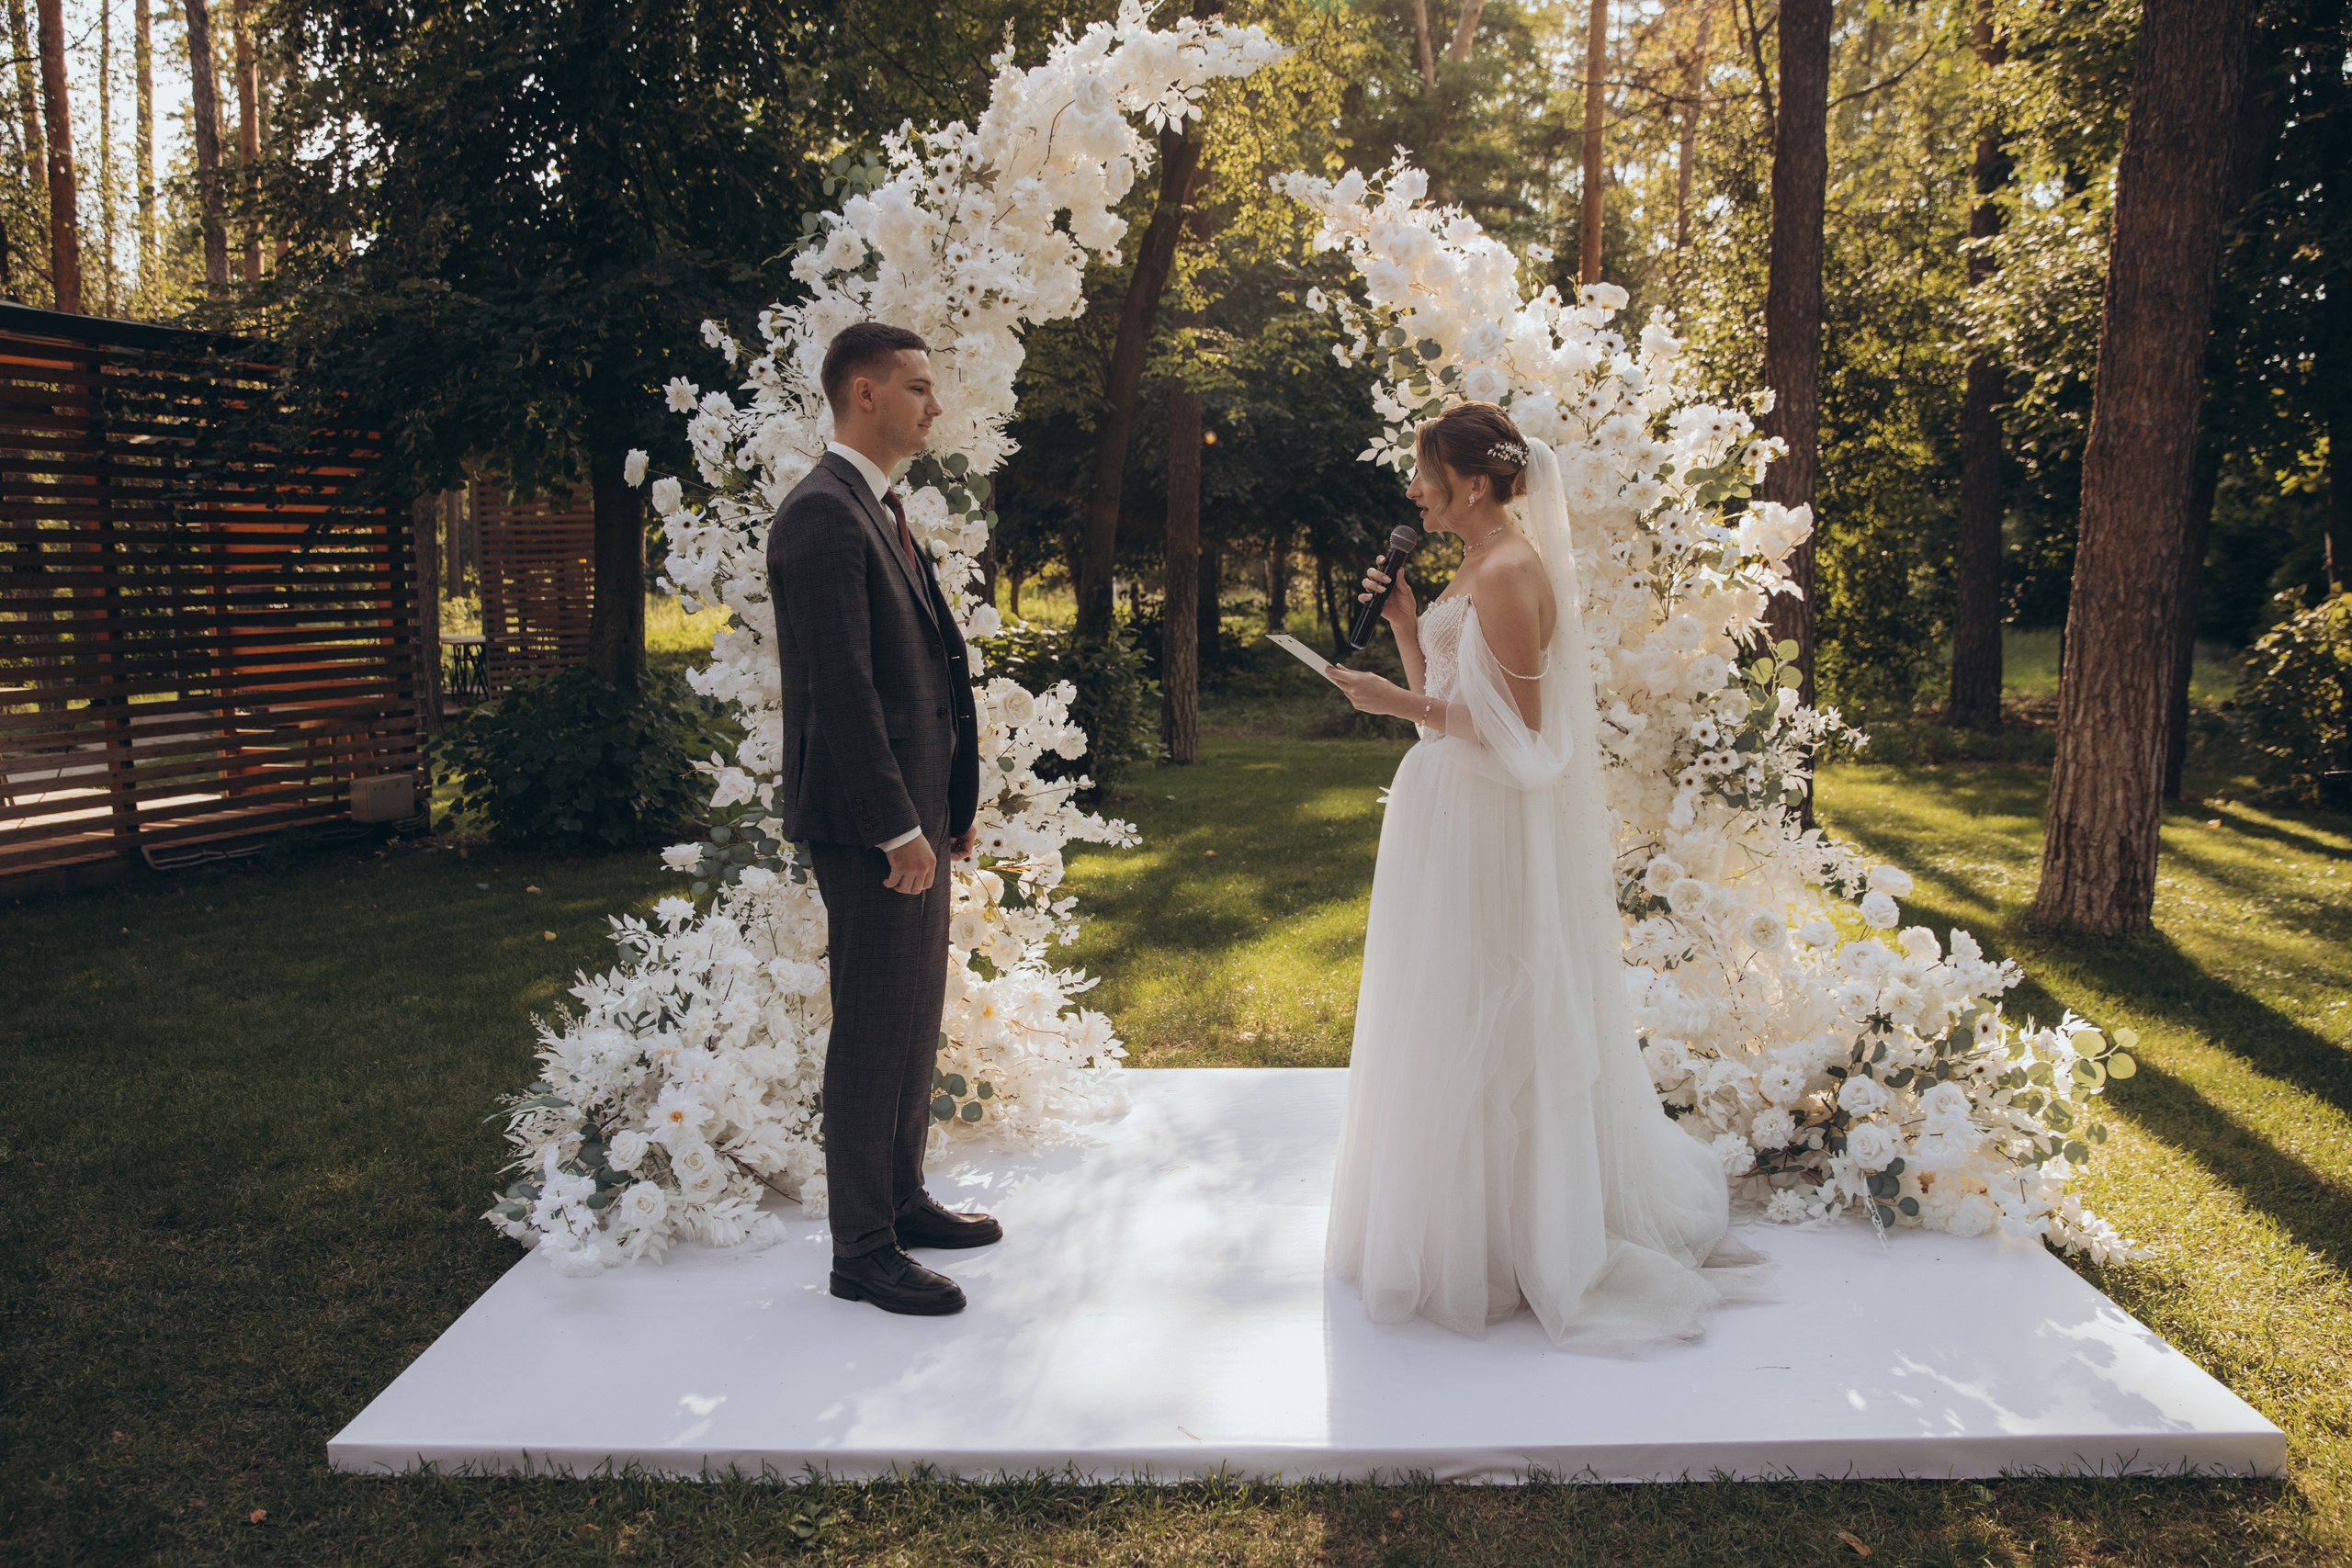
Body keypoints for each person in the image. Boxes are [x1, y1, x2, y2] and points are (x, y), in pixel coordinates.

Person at [1319, 401, 1770, 1352]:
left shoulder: (1513, 568)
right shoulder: (1470, 565)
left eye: (1423, 474)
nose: (1411, 489)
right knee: (1445, 1006)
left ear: (1472, 484)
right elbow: (1446, 707)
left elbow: (1520, 735)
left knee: (1495, 1007)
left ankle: (1524, 1229)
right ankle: (1461, 1222)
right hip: (1445, 805)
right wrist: (1404, 628)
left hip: (1486, 818)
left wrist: (1390, 696)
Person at [765, 321, 998, 1316]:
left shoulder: (877, 510)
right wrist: (894, 826)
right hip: (870, 824)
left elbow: (923, 676)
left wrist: (944, 806)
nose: (930, 406)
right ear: (861, 393)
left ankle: (898, 1201)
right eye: (915, 388)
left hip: (908, 811)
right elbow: (843, 691)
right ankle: (860, 1249)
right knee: (871, 1026)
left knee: (910, 1018)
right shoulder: (822, 515)